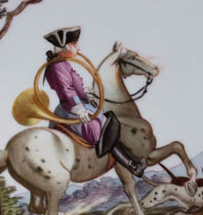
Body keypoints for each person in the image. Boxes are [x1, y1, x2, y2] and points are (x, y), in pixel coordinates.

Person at [41, 27, 139, 170]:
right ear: (65, 47)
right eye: (75, 45)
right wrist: (79, 109)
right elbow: (66, 91)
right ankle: (130, 163)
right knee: (99, 128)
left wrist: (85, 93)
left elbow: (74, 86)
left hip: (74, 103)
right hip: (70, 108)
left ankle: (128, 161)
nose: (79, 48)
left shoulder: (62, 64)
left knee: (108, 119)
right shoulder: (57, 66)